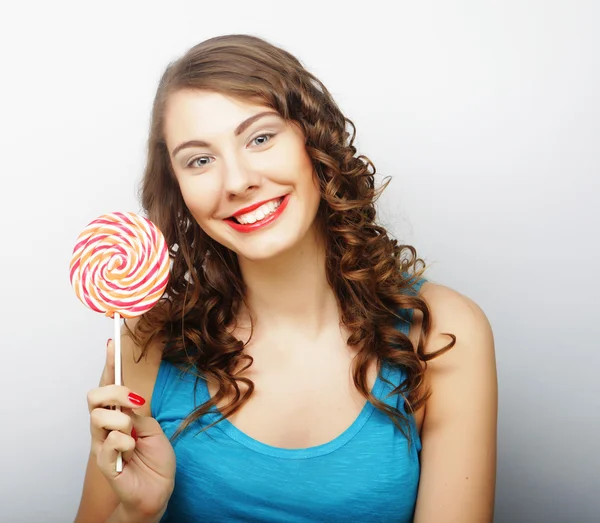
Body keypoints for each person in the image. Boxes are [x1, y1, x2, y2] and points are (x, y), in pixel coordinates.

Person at [75, 34, 497, 523]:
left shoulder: (444, 331)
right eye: (200, 160)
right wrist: (138, 512)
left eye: (260, 138)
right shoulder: (145, 342)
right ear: (179, 189)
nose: (236, 182)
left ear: (313, 140)